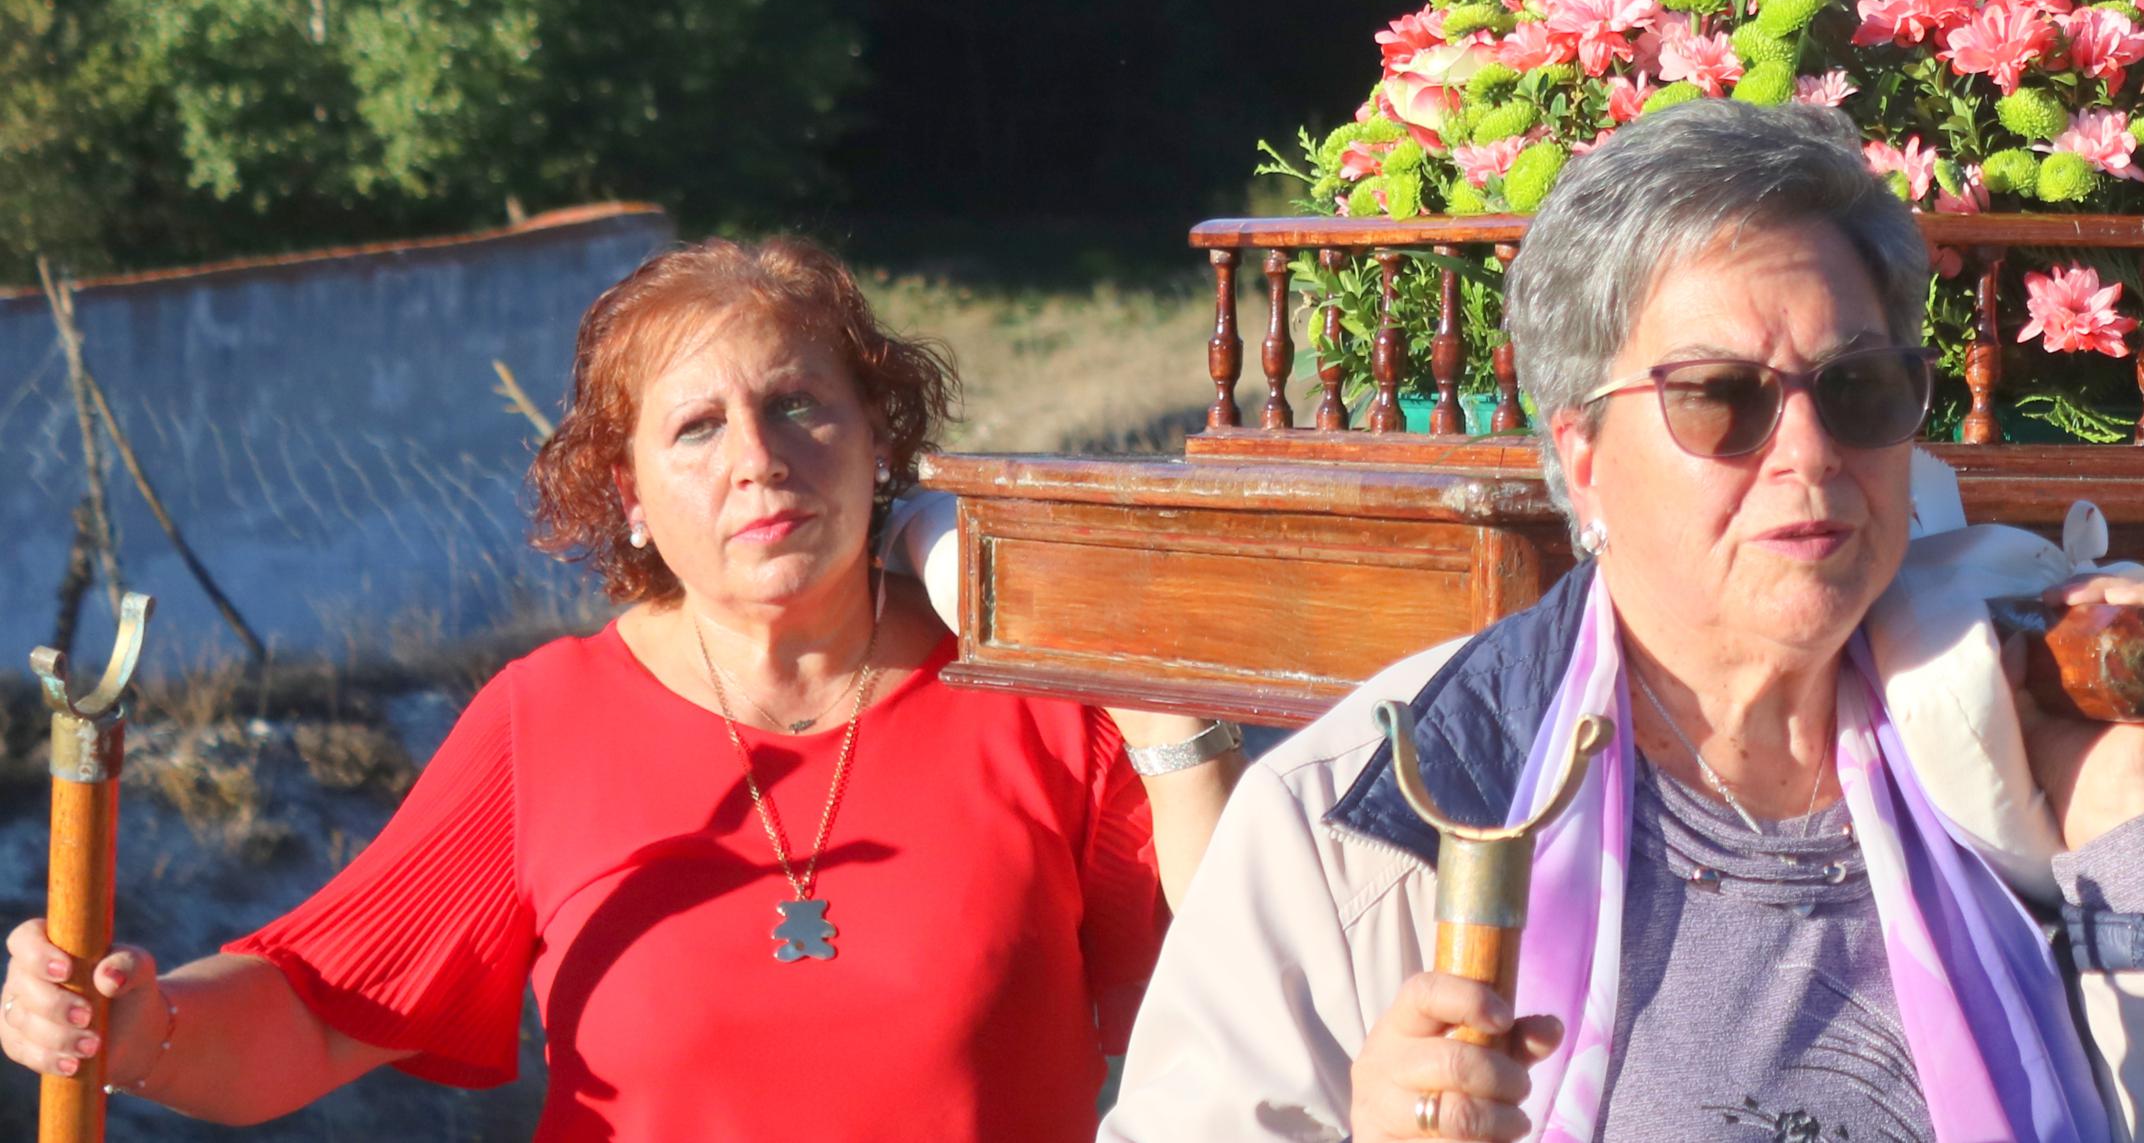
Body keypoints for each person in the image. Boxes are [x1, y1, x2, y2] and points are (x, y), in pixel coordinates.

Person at [1103, 98, 2144, 1143]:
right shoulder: (1373, 817)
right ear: (1581, 455)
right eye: (1721, 400)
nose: (1806, 454)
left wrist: (2135, 847)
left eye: (1855, 388)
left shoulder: (2033, 749)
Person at [1, 236, 1241, 1137]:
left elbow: (1237, 1001)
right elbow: (321, 1015)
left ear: (880, 441)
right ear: (632, 501)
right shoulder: (548, 720)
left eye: (799, 404)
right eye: (696, 429)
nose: (758, 459)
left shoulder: (1044, 697)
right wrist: (131, 1033)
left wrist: (1170, 723)